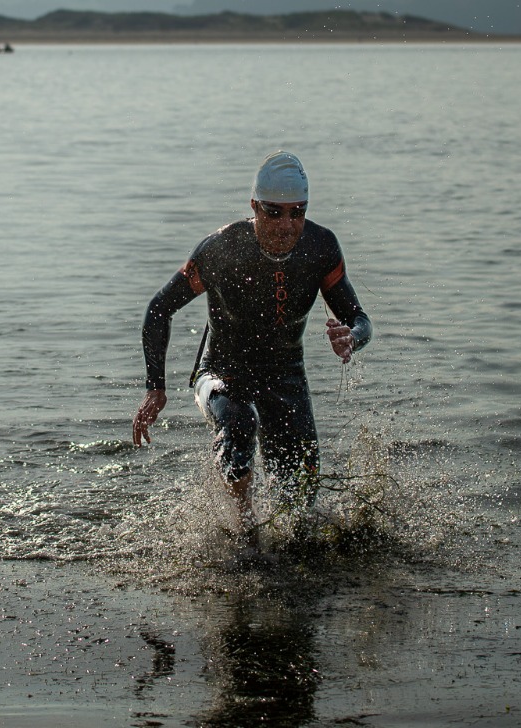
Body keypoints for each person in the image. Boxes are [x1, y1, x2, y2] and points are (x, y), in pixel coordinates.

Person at [130, 151, 372, 536]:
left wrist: (351, 339)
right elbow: (160, 308)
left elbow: (359, 320)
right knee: (240, 424)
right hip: (222, 373)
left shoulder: (321, 247)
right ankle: (245, 535)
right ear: (255, 207)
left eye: (297, 212)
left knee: (300, 505)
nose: (286, 226)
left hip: (286, 377)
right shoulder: (222, 249)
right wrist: (154, 389)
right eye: (274, 213)